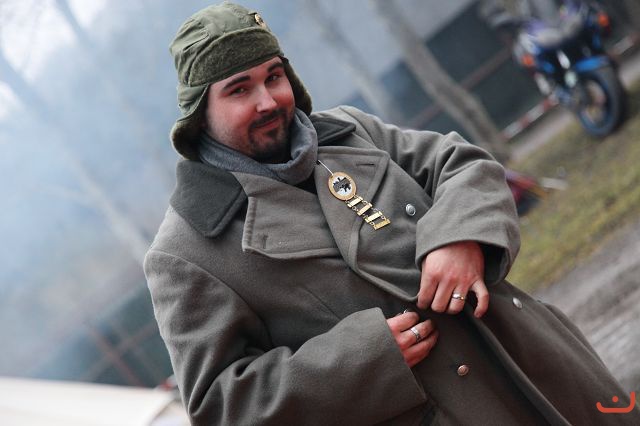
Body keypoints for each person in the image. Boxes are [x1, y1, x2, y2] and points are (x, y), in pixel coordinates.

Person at [144, 2, 639, 425]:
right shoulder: (184, 253)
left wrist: (459, 237)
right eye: (239, 89)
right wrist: (366, 358)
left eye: (274, 76)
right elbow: (220, 404)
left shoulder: (349, 131)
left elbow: (462, 164)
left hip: (541, 369)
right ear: (199, 114)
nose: (268, 101)